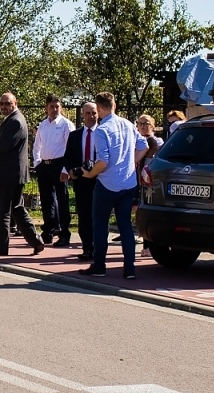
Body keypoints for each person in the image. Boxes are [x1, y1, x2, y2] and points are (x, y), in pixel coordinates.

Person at [83, 92, 148, 279]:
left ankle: (99, 265)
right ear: (115, 105)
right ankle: (129, 268)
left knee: (100, 225)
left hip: (107, 182)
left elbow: (103, 161)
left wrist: (90, 174)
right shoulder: (128, 124)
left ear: (99, 108)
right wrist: (131, 162)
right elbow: (143, 146)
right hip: (128, 182)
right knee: (125, 225)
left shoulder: (102, 130)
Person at [0, 92, 42, 257]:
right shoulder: (12, 120)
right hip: (10, 174)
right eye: (2, 104)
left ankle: (1, 245)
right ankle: (36, 241)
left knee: (2, 212)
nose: (4, 107)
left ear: (16, 103)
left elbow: (3, 146)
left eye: (8, 103)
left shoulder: (15, 121)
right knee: (16, 208)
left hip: (7, 175)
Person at [31, 94, 74, 247]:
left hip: (59, 164)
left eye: (57, 106)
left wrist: (65, 168)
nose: (55, 109)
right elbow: (37, 146)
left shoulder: (66, 125)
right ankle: (48, 231)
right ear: (46, 108)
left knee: (62, 199)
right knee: (47, 199)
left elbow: (71, 148)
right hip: (45, 165)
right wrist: (37, 163)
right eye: (52, 106)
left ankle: (64, 233)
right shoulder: (43, 125)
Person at [60, 102, 99, 261]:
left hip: (100, 180)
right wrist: (70, 171)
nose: (91, 116)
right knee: (84, 216)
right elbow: (67, 157)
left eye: (94, 113)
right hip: (81, 180)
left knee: (97, 215)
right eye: (88, 113)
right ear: (83, 115)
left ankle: (98, 248)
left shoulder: (103, 133)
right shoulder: (75, 135)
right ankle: (87, 248)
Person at [134, 114, 164, 195]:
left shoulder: (157, 141)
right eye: (140, 123)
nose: (142, 126)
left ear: (152, 126)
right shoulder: (134, 140)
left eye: (146, 123)